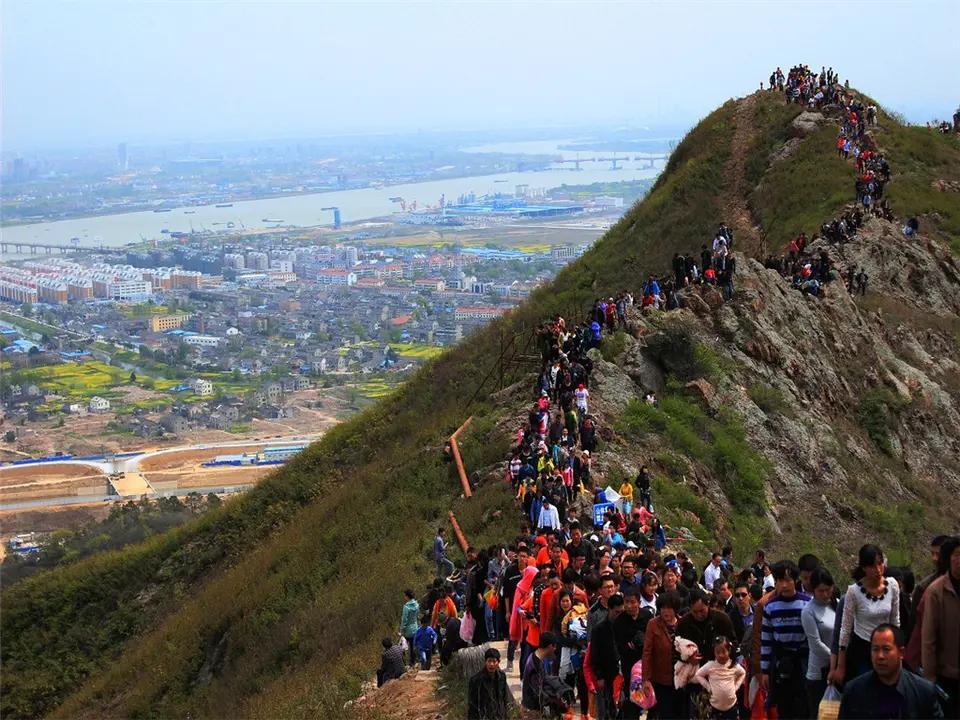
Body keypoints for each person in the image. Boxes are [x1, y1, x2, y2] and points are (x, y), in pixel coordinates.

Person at [838, 624, 944, 719]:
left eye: (886, 649)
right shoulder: (854, 691)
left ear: (901, 652)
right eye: (875, 649)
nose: (880, 656)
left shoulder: (923, 692)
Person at [838, 544, 901, 684]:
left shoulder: (892, 585)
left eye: (880, 564)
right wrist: (840, 665)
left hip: (887, 644)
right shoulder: (854, 592)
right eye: (872, 566)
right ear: (864, 568)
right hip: (863, 647)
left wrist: (898, 647)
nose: (878, 570)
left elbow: (895, 620)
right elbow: (845, 628)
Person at [760, 560, 811, 719]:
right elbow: (766, 640)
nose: (784, 585)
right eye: (780, 580)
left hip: (803, 662)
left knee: (803, 706)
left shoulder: (806, 604)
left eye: (788, 580)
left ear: (795, 580)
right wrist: (765, 670)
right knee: (784, 708)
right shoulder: (770, 607)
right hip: (780, 662)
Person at [921, 536, 960, 718]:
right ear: (949, 558)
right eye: (957, 555)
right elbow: (928, 639)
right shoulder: (936, 591)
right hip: (947, 677)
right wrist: (930, 677)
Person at [643, 591, 684, 718]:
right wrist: (646, 679)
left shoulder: (683, 623)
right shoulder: (653, 624)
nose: (665, 612)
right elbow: (647, 652)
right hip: (661, 680)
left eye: (669, 608)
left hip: (681, 679)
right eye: (662, 608)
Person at [802, 567, 837, 713]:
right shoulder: (808, 611)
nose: (825, 594)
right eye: (820, 591)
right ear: (813, 590)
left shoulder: (838, 605)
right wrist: (836, 660)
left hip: (838, 670)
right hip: (819, 673)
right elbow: (816, 644)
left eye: (827, 590)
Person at [590, 593, 624, 720]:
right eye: (617, 612)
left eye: (621, 612)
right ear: (609, 609)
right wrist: (599, 675)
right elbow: (595, 654)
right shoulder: (599, 629)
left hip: (623, 674)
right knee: (607, 709)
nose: (619, 615)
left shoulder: (626, 625)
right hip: (606, 674)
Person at [695, 636, 746, 720]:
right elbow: (698, 674)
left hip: (731, 706)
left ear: (729, 651)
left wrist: (736, 686)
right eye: (717, 652)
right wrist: (708, 687)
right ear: (714, 652)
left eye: (723, 651)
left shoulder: (733, 665)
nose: (721, 655)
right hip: (715, 706)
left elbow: (743, 673)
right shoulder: (710, 665)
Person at [467, 647, 512, 720]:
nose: (491, 664)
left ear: (498, 662)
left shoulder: (502, 677)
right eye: (489, 661)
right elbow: (472, 706)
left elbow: (504, 699)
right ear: (485, 662)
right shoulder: (475, 680)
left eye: (494, 661)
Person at [522, 631, 558, 712]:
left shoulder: (535, 657)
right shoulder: (535, 665)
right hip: (533, 710)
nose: (555, 649)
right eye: (554, 647)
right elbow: (539, 693)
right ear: (549, 646)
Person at [727, 579, 754, 645]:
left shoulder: (758, 613)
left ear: (749, 596)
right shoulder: (729, 618)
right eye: (737, 595)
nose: (740, 598)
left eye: (743, 595)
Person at [400, 589, 420, 666]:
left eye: (405, 595)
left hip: (407, 629)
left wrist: (402, 630)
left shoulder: (406, 607)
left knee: (402, 646)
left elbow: (404, 619)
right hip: (415, 627)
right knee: (412, 646)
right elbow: (417, 616)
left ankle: (403, 663)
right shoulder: (416, 604)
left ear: (407, 596)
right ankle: (413, 662)